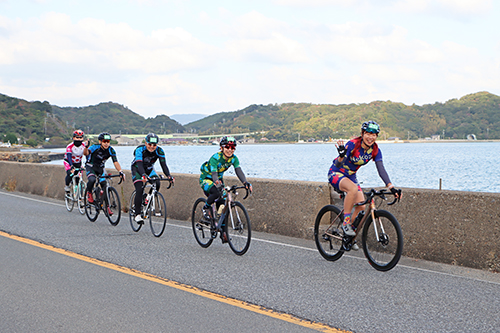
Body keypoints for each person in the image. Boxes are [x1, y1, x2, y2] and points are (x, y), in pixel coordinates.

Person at [328, 121, 401, 241]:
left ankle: (348, 237)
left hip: (351, 176)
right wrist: (341, 156)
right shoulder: (352, 144)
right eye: (368, 133)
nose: (370, 137)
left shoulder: (375, 150)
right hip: (336, 173)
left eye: (374, 134)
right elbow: (338, 163)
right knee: (352, 189)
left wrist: (391, 187)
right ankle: (346, 223)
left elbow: (381, 169)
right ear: (362, 134)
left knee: (361, 206)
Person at [199, 136, 252, 242]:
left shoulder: (234, 158)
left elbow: (238, 170)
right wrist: (216, 182)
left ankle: (223, 233)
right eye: (227, 147)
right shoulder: (215, 157)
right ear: (221, 148)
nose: (230, 150)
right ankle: (206, 208)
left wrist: (245, 182)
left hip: (218, 179)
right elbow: (214, 173)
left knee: (223, 204)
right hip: (207, 179)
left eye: (233, 147)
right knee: (215, 191)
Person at [131, 133, 174, 224]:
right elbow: (139, 164)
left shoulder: (159, 151)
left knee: (157, 182)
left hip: (149, 169)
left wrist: (169, 176)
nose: (152, 147)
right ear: (146, 143)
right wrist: (143, 175)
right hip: (137, 169)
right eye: (150, 144)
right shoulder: (140, 150)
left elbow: (163, 165)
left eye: (154, 145)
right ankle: (137, 215)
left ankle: (148, 197)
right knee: (139, 189)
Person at [83, 132, 125, 211]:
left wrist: (120, 171)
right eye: (104, 141)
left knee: (105, 186)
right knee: (92, 179)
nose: (106, 143)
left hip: (100, 168)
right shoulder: (95, 147)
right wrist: (86, 147)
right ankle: (89, 193)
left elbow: (115, 162)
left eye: (108, 142)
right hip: (91, 167)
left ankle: (107, 206)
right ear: (100, 142)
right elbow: (86, 153)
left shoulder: (111, 150)